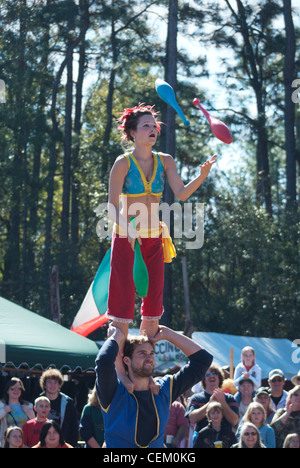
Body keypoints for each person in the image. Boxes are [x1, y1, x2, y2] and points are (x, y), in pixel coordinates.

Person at [106, 103, 216, 390]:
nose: (152, 129)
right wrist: (128, 229)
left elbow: (180, 193)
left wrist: (201, 176)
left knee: (153, 309)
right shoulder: (122, 163)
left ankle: (143, 374)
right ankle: (120, 373)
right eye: (145, 125)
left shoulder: (165, 160)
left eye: (154, 125)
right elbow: (111, 205)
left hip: (155, 237)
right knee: (121, 310)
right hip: (126, 238)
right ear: (131, 133)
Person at [95, 324, 213, 448]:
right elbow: (103, 362)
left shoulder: (164, 389)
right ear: (126, 360)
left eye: (151, 353)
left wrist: (168, 334)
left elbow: (203, 361)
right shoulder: (113, 392)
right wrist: (116, 337)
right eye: (142, 353)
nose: (149, 358)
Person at [185, 364, 239, 442]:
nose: (211, 376)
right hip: (202, 442)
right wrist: (209, 403)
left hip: (226, 441)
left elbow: (234, 421)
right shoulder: (196, 398)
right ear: (204, 380)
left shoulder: (230, 398)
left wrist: (223, 402)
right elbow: (192, 419)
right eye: (207, 375)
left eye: (214, 374)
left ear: (219, 378)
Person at [39, 369, 79, 447]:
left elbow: (74, 426)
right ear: (44, 384)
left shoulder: (68, 402)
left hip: (63, 444)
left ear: (59, 385)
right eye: (50, 382)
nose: (52, 385)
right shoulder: (38, 401)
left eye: (55, 383)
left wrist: (72, 445)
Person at [0, 377, 35, 447]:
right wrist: (4, 411)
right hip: (6, 444)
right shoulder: (1, 405)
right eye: (13, 388)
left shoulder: (28, 406)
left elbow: (34, 424)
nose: (16, 390)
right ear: (7, 390)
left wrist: (30, 414)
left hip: (24, 444)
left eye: (19, 388)